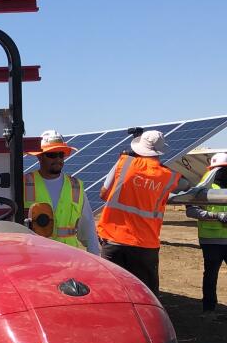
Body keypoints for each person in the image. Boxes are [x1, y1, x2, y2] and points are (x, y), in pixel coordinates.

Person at [97, 129, 187, 295]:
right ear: (160, 151)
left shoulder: (124, 163)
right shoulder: (167, 175)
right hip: (146, 245)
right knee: (145, 294)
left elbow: (103, 194)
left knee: (112, 292)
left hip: (114, 239)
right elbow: (185, 184)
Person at [24, 130, 99, 254]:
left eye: (61, 154)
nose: (58, 159)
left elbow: (88, 228)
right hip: (37, 256)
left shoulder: (76, 186)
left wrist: (96, 259)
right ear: (40, 156)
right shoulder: (25, 183)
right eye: (52, 154)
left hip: (69, 258)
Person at [186, 152, 227, 316]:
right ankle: (209, 309)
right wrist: (215, 216)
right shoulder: (204, 187)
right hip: (212, 241)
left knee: (210, 275)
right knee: (211, 275)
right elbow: (191, 210)